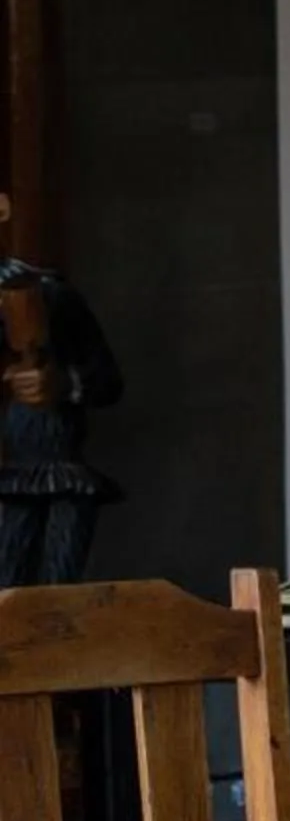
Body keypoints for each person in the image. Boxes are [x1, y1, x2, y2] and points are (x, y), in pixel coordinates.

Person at [0, 194, 121, 586]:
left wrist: (62, 383)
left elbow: (107, 380)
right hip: (11, 467)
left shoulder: (50, 295)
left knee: (59, 588)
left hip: (58, 465)